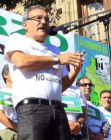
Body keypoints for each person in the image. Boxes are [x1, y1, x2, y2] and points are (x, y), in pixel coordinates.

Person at [4, 5, 84, 140]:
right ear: (25, 24)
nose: (44, 22)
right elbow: (21, 61)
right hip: (32, 109)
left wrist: (75, 70)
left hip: (58, 110)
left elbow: (61, 86)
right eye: (38, 18)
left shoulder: (54, 49)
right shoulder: (17, 39)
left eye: (46, 19)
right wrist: (57, 59)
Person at [0, 64, 17, 140]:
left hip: (25, 132)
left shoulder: (24, 94)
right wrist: (17, 128)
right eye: (13, 71)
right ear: (5, 75)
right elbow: (1, 115)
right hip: (7, 132)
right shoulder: (1, 93)